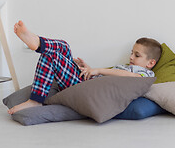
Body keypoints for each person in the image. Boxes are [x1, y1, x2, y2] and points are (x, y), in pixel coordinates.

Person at [8, 20, 162, 114]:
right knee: (63, 46)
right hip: (88, 81)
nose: (131, 57)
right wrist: (88, 69)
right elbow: (107, 78)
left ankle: (35, 100)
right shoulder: (127, 67)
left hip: (84, 88)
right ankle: (37, 42)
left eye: (137, 55)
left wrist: (98, 70)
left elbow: (130, 77)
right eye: (132, 53)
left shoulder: (144, 76)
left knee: (52, 56)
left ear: (151, 63)